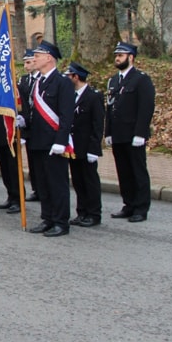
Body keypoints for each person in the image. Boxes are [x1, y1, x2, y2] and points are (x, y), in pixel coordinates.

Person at [27, 40, 75, 237]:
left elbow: (67, 116)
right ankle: (47, 218)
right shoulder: (38, 82)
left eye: (37, 56)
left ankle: (60, 222)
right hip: (37, 141)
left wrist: (61, 141)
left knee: (57, 184)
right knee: (43, 184)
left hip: (54, 142)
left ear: (49, 58)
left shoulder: (63, 82)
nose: (34, 58)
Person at [105, 41, 156, 223]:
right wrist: (108, 132)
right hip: (118, 134)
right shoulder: (113, 80)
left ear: (131, 57)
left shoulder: (141, 79)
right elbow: (110, 109)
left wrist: (141, 133)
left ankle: (141, 208)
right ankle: (129, 204)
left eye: (121, 55)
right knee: (123, 172)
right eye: (116, 55)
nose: (117, 58)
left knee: (137, 171)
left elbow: (146, 108)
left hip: (134, 134)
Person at [66, 62, 105, 227]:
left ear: (76, 77)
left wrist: (94, 149)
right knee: (78, 181)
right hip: (74, 147)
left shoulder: (93, 96)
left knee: (90, 181)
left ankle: (94, 213)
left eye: (69, 75)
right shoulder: (70, 95)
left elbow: (97, 124)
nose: (66, 78)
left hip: (87, 146)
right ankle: (81, 212)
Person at [16, 49, 40, 201]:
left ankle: (43, 189)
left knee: (41, 162)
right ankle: (36, 188)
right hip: (27, 127)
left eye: (29, 62)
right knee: (32, 161)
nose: (26, 65)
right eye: (25, 62)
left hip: (40, 126)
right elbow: (22, 105)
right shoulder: (24, 80)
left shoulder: (40, 80)